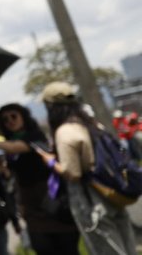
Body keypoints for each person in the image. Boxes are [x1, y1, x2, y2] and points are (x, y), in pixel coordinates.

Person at [38, 81, 138, 255]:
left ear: (51, 106)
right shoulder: (90, 123)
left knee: (107, 249)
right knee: (127, 247)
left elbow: (73, 173)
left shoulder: (65, 132)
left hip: (92, 200)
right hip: (113, 193)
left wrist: (51, 162)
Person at [0, 103, 79, 255]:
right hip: (31, 204)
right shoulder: (10, 142)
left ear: (23, 117)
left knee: (66, 246)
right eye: (5, 120)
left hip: (51, 199)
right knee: (42, 246)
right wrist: (3, 168)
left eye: (13, 116)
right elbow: (12, 171)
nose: (10, 121)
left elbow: (15, 147)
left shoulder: (34, 136)